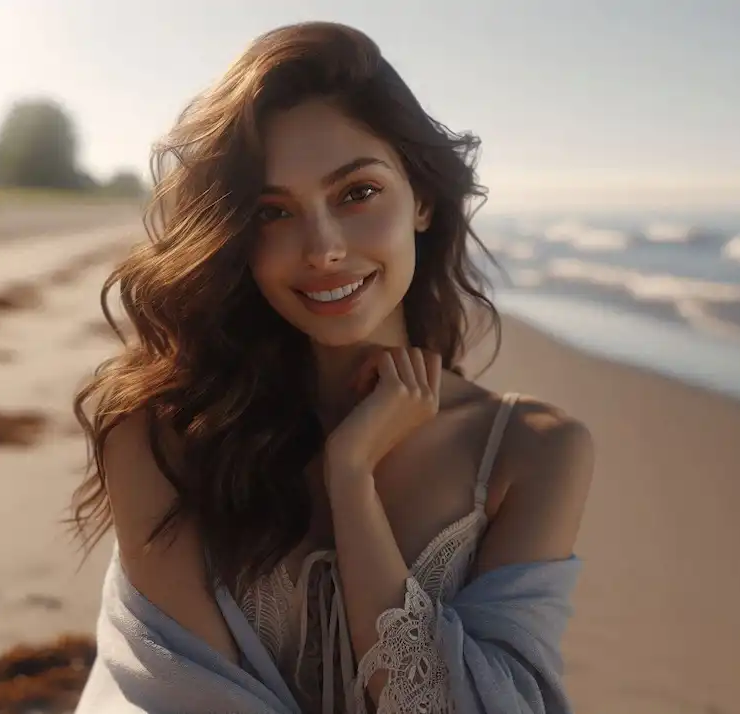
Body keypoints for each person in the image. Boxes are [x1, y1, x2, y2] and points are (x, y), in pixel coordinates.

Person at [71, 21, 594, 714]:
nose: (322, 249)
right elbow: (180, 697)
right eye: (273, 212)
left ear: (423, 199)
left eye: (356, 194)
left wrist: (352, 482)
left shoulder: (533, 452)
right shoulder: (160, 434)